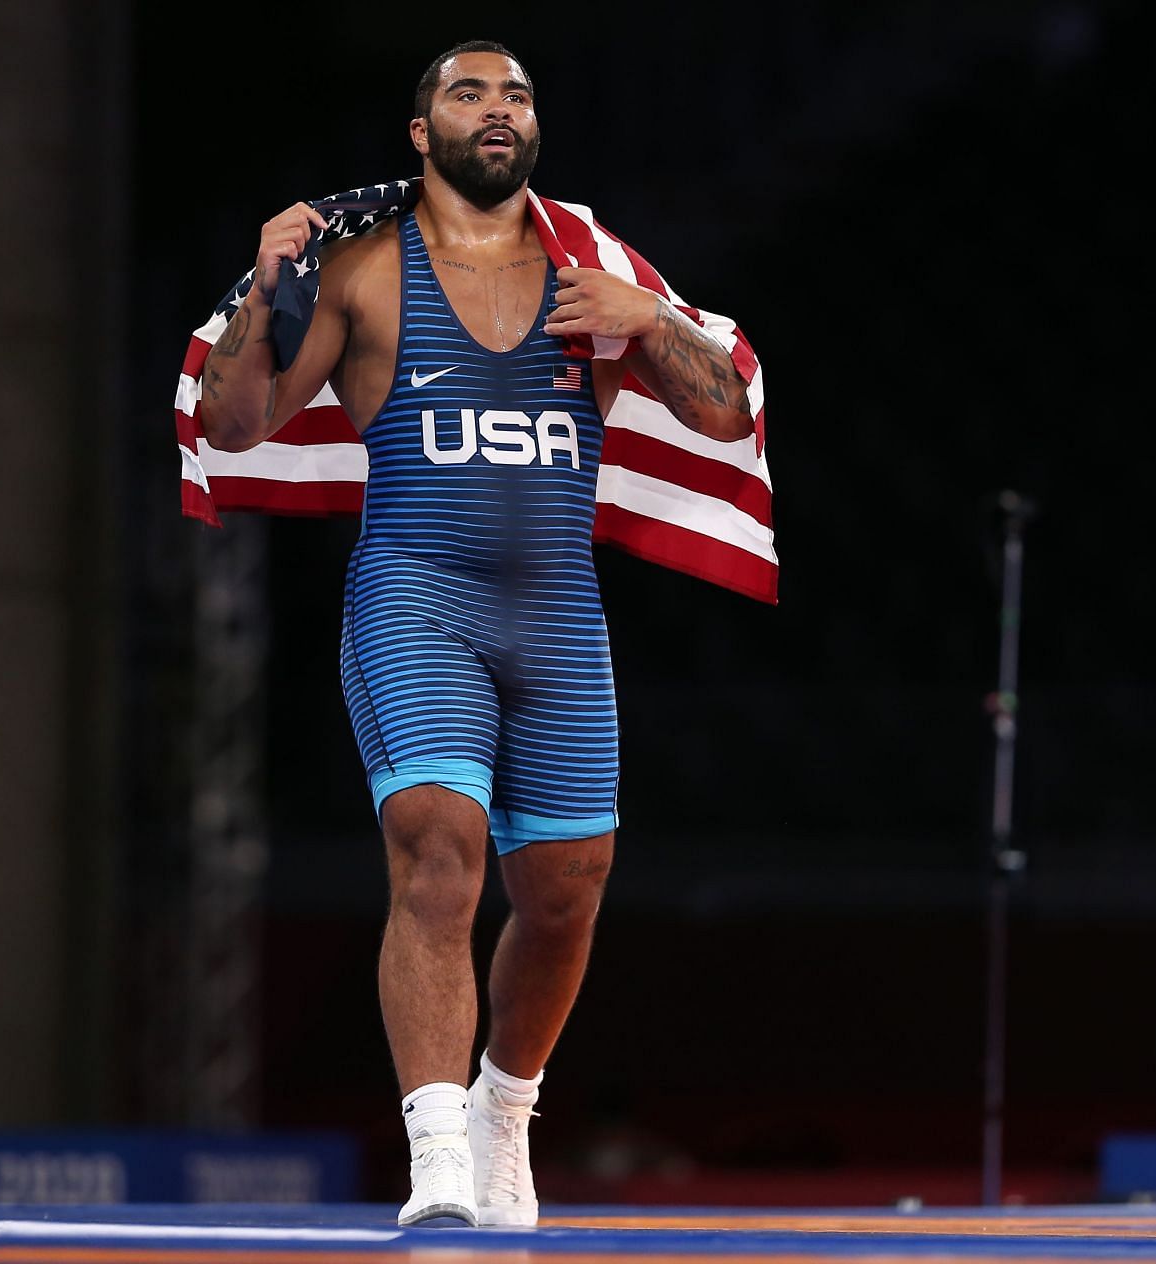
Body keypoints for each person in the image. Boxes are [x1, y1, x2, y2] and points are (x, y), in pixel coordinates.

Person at [196, 41, 757, 1227]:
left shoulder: (588, 269)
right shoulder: (360, 272)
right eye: (468, 93)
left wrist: (647, 315)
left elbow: (724, 412)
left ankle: (507, 1109)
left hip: (557, 619)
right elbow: (236, 423)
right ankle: (437, 1145)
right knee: (437, 853)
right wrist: (264, 280)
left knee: (566, 892)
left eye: (516, 95)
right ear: (422, 132)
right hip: (418, 601)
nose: (496, 110)